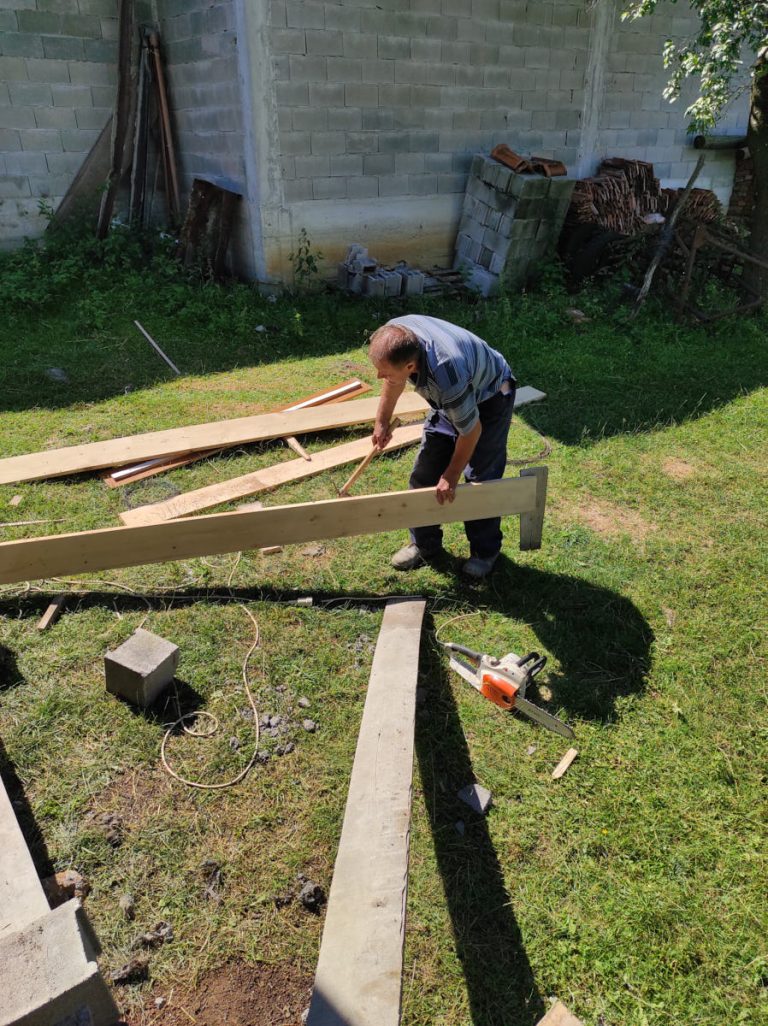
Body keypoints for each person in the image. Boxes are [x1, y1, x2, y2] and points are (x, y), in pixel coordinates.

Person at [369, 314, 516, 580]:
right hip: (456, 393)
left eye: (384, 371)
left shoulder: (446, 377)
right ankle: (425, 544)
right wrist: (381, 422)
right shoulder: (395, 334)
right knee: (424, 475)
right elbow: (394, 379)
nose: (379, 375)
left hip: (491, 394)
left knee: (480, 479)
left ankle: (485, 553)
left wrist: (450, 475)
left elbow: (471, 432)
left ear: (411, 365)